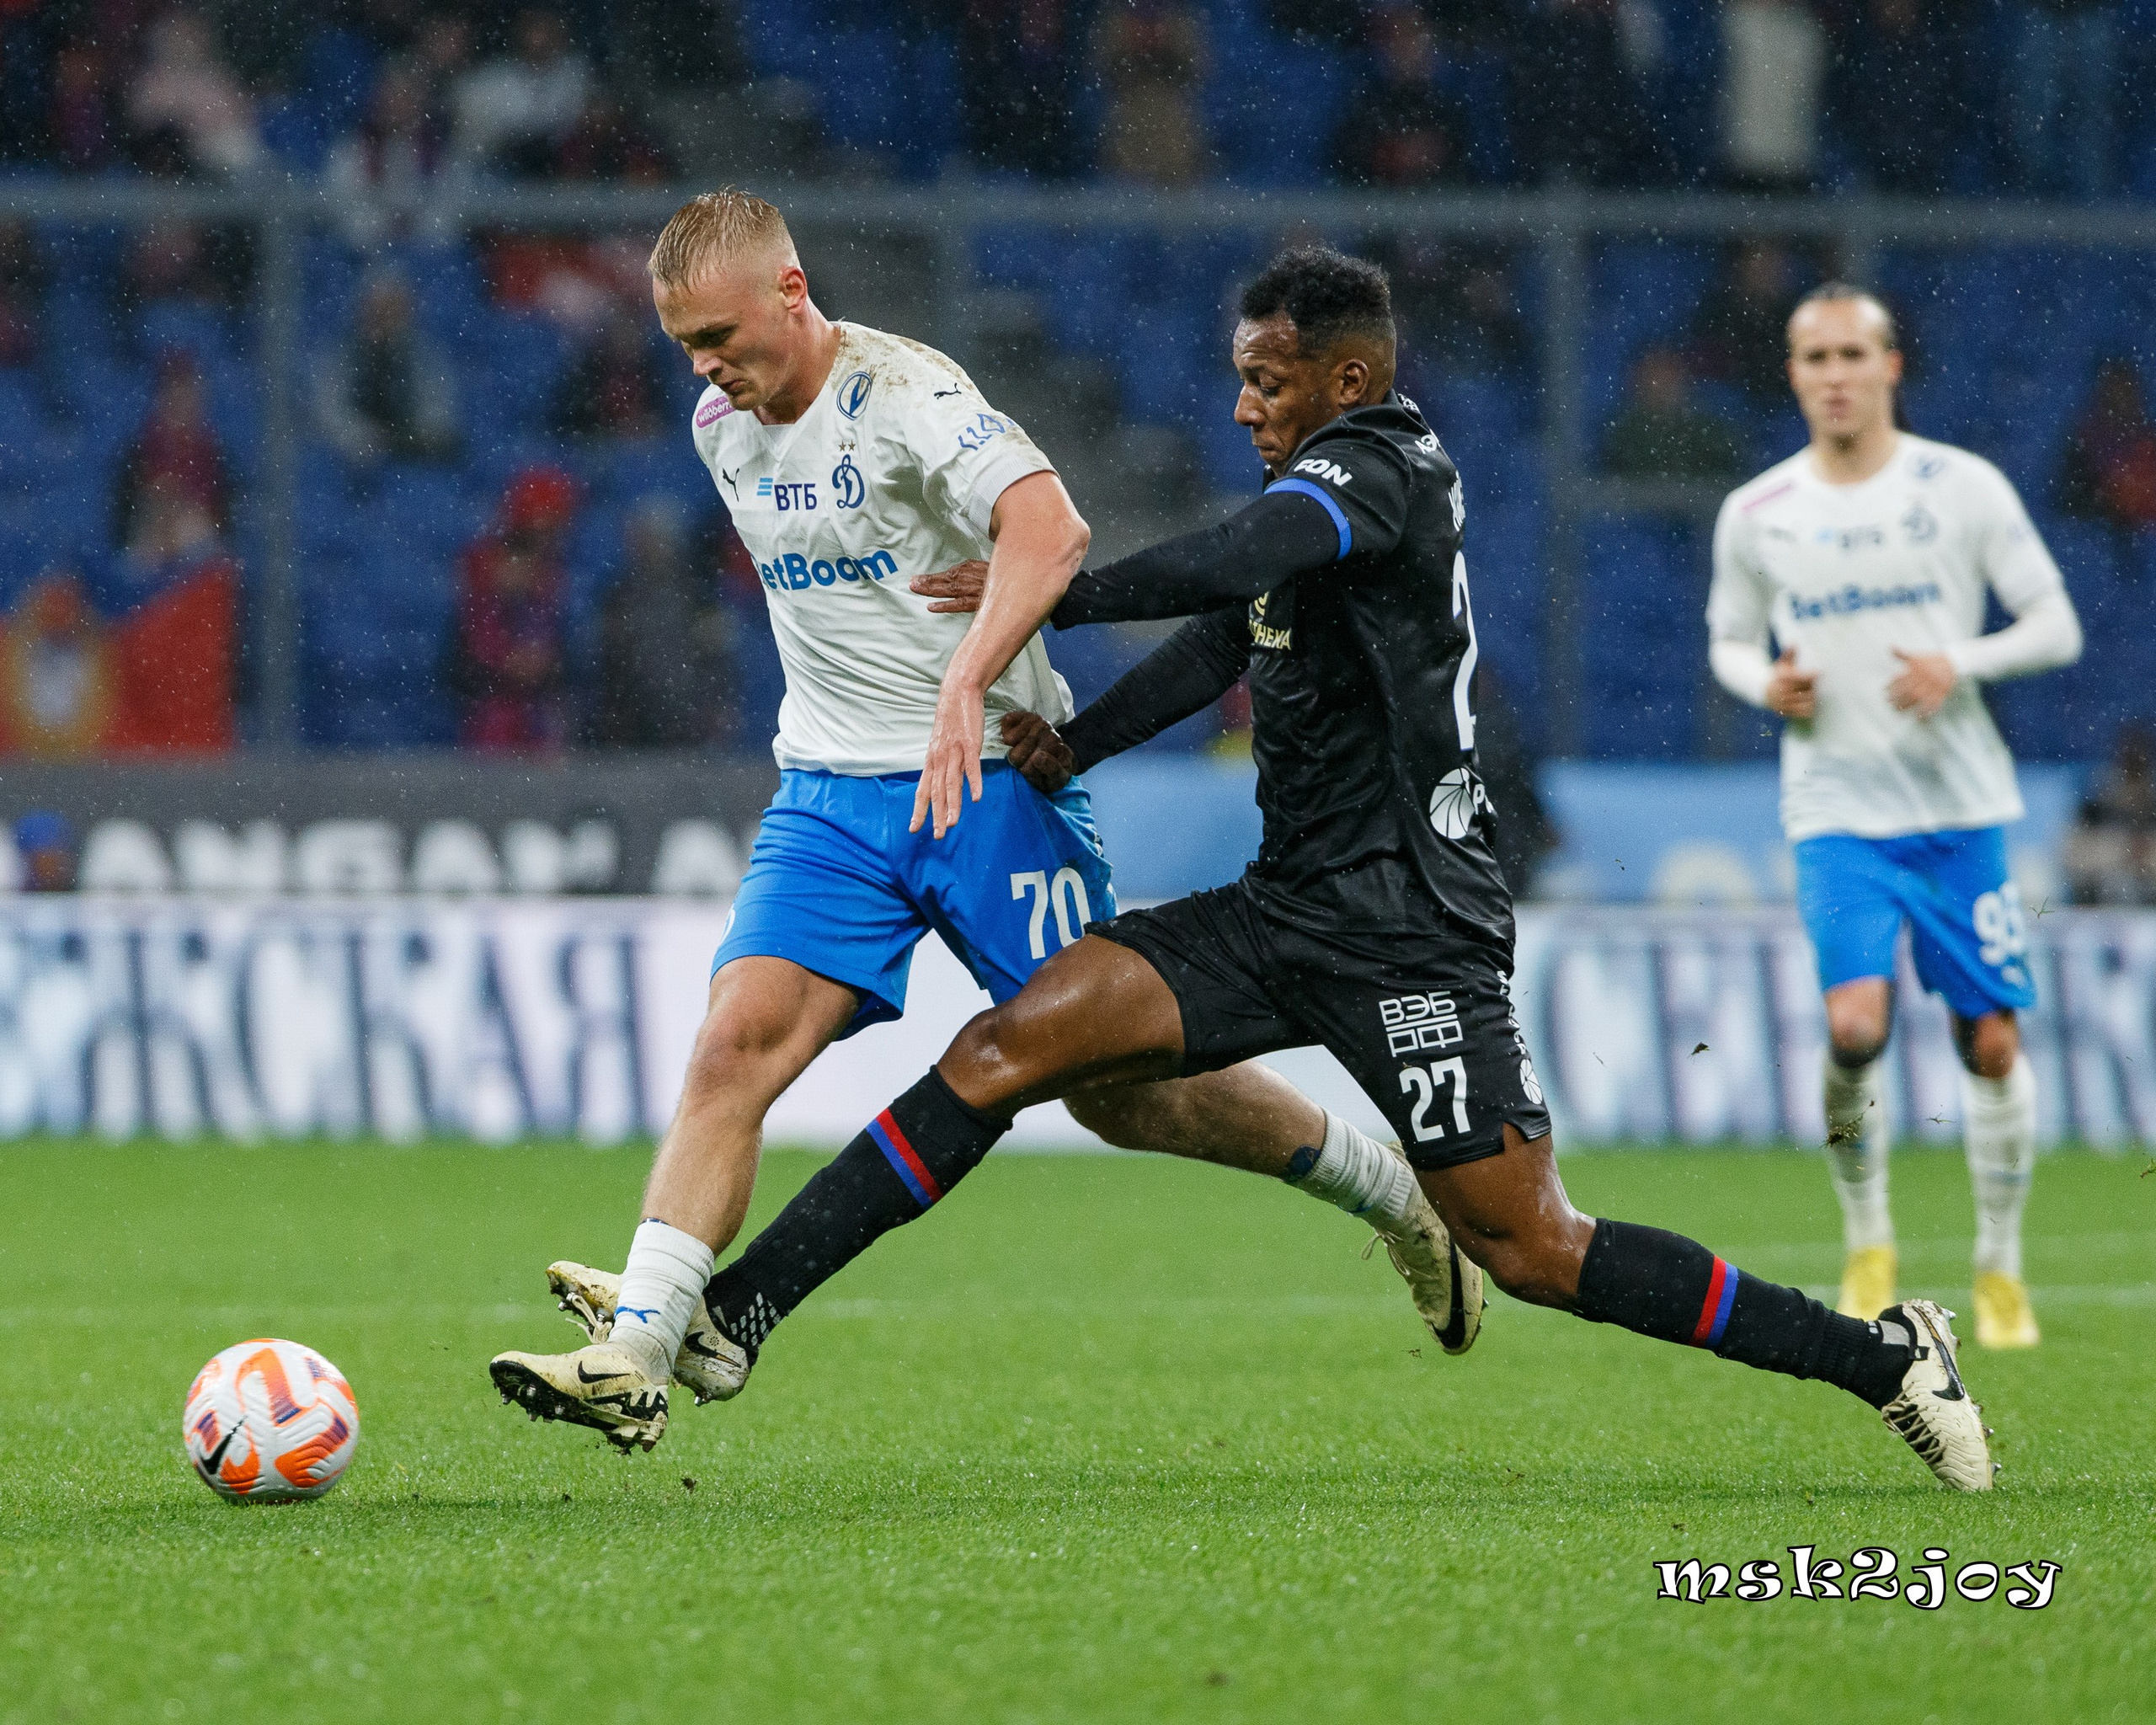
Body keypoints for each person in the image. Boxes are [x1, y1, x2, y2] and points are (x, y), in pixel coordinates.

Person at [502, 243, 1999, 1496]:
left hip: (1414, 934)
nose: (1242, 403)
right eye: (1239, 376)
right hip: (1283, 908)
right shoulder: (1315, 490)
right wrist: (1077, 749)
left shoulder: (1386, 469)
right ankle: (739, 1315)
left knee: (1535, 1247)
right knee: (1008, 1048)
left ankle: (1884, 1353)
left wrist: (1057, 598)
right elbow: (1228, 636)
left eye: (1268, 380)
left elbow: (1228, 564)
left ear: (1346, 377)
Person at [488, 197, 1475, 1450]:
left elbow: (1052, 529)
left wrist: (967, 682)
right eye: (684, 344)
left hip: (992, 787)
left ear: (792, 292)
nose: (703, 369)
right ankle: (640, 1345)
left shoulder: (909, 394)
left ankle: (1392, 1190)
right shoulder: (718, 428)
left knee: (1124, 1094)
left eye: (720, 337)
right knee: (734, 1045)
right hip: (831, 797)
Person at [1706, 283, 2083, 1349]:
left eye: (1851, 354)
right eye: (1814, 357)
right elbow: (1727, 639)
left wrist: (1957, 660)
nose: (1833, 374)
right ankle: (1867, 1236)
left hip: (1959, 809)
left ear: (1889, 365)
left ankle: (1999, 1264)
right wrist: (1764, 682)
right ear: (1792, 373)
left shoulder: (1959, 488)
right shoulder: (1758, 511)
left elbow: (2054, 623)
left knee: (1991, 1043)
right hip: (1835, 810)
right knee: (1853, 1027)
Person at [446, 465, 575, 753]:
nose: (552, 531)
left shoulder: (551, 573)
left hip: (535, 702)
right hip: (491, 700)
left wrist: (540, 660)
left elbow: (548, 638)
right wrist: (508, 659)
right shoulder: (483, 564)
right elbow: (480, 639)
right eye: (546, 520)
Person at [314, 265, 460, 469]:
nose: (385, 317)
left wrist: (407, 438)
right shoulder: (341, 355)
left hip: (409, 457)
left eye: (393, 308)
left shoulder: (423, 356)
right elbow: (330, 410)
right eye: (378, 308)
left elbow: (436, 410)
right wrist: (363, 437)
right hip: (351, 462)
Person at [1603, 346, 1746, 483]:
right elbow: (1613, 483)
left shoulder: (1708, 429)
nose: (1662, 383)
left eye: (1669, 375)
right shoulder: (1624, 432)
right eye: (1654, 374)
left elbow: (1724, 477)